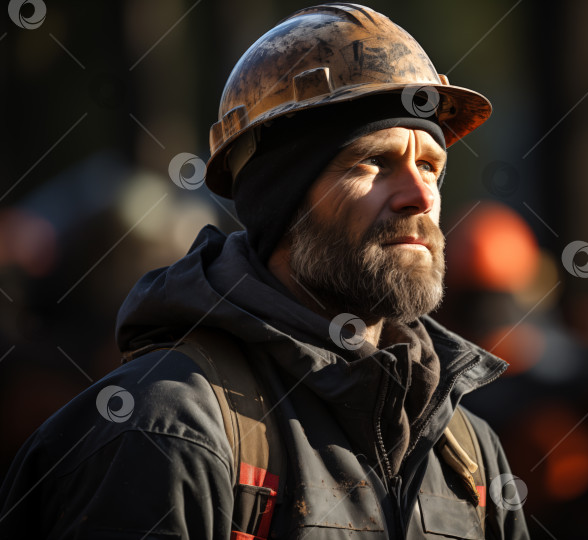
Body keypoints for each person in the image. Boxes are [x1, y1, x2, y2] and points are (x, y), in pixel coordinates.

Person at [0, 4, 529, 539]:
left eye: (430, 167)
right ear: (284, 202)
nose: (420, 197)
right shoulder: (166, 430)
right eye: (374, 162)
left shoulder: (469, 453)